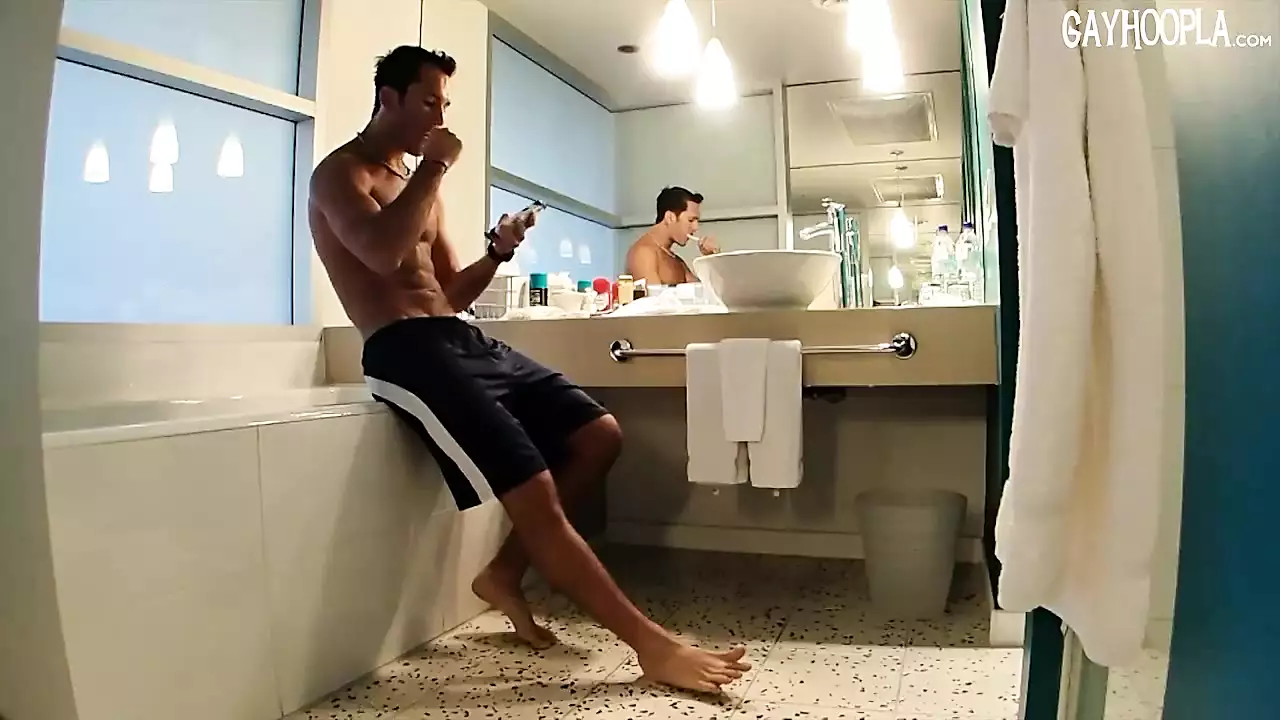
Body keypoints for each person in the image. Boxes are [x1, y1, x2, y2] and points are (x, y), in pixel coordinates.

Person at [307, 45, 749, 693]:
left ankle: (504, 572)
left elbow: (449, 292)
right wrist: (435, 168)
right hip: (403, 350)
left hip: (458, 337)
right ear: (388, 98)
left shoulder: (417, 185)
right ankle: (651, 647)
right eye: (428, 102)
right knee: (536, 491)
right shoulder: (339, 174)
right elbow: (378, 254)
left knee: (598, 434)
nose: (439, 117)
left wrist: (497, 252)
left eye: (444, 104)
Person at [624, 186, 720, 286]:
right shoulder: (643, 253)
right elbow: (655, 296)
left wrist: (712, 257)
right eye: (690, 220)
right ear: (670, 217)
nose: (695, 227)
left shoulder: (677, 261)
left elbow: (708, 291)